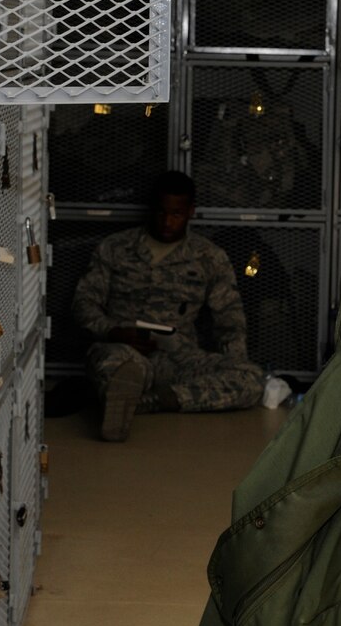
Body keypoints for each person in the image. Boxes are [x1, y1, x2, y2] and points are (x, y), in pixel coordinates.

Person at [72, 170, 265, 442]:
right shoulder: (115, 247)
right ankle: (126, 392)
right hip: (124, 349)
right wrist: (112, 331)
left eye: (176, 214)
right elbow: (84, 303)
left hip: (178, 357)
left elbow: (230, 317)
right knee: (114, 366)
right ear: (152, 209)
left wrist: (234, 361)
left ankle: (154, 401)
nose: (167, 221)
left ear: (190, 212)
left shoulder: (209, 256)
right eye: (161, 212)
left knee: (253, 379)